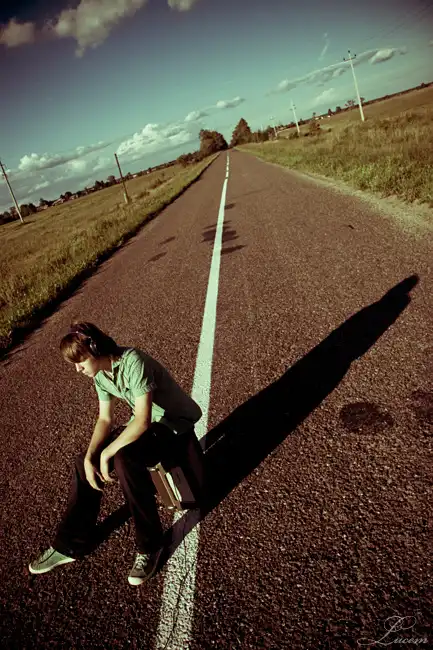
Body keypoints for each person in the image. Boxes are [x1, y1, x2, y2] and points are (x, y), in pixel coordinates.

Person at [29, 322, 202, 585]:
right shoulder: (100, 375)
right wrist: (91, 456)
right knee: (82, 462)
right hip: (147, 425)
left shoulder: (133, 361)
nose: (78, 369)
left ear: (95, 348)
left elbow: (142, 420)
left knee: (123, 459)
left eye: (80, 361)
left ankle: (150, 546)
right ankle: (71, 544)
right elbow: (105, 419)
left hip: (173, 424)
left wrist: (107, 453)